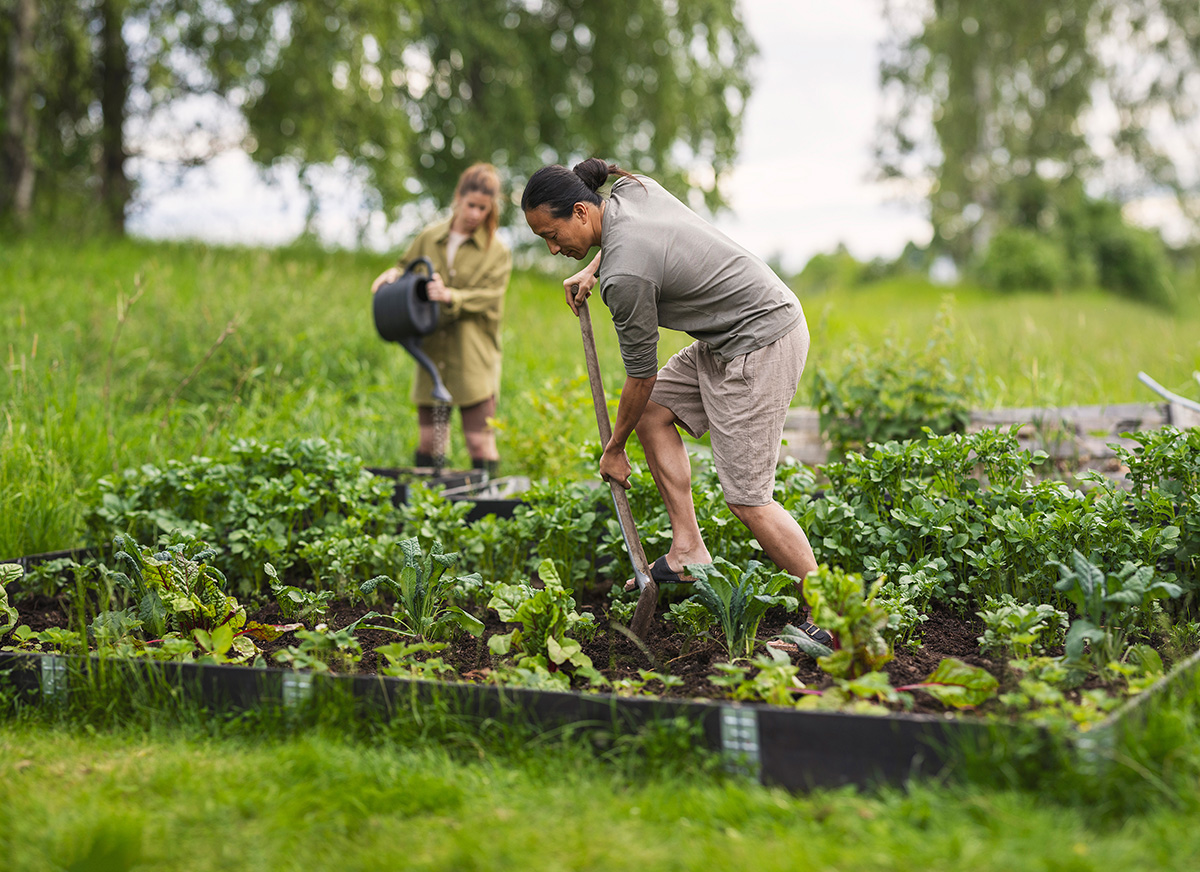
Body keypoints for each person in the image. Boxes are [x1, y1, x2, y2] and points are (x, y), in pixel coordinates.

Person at [522, 158, 830, 644]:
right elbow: (639, 245)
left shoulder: (625, 281)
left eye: (552, 234)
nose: (553, 247)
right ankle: (688, 551)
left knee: (748, 497)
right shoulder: (632, 190)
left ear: (582, 211)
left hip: (761, 339)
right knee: (653, 412)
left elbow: (639, 376)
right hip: (727, 334)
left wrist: (615, 447)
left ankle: (831, 616)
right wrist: (594, 268)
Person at [372, 163, 512, 476]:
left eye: (483, 208)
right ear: (458, 198)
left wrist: (451, 296)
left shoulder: (497, 251)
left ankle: (487, 512)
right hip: (432, 358)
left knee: (480, 443)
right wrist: (392, 275)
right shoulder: (429, 237)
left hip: (473, 360)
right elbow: (405, 267)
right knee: (432, 443)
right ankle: (432, 512)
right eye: (471, 205)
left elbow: (490, 296)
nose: (475, 213)